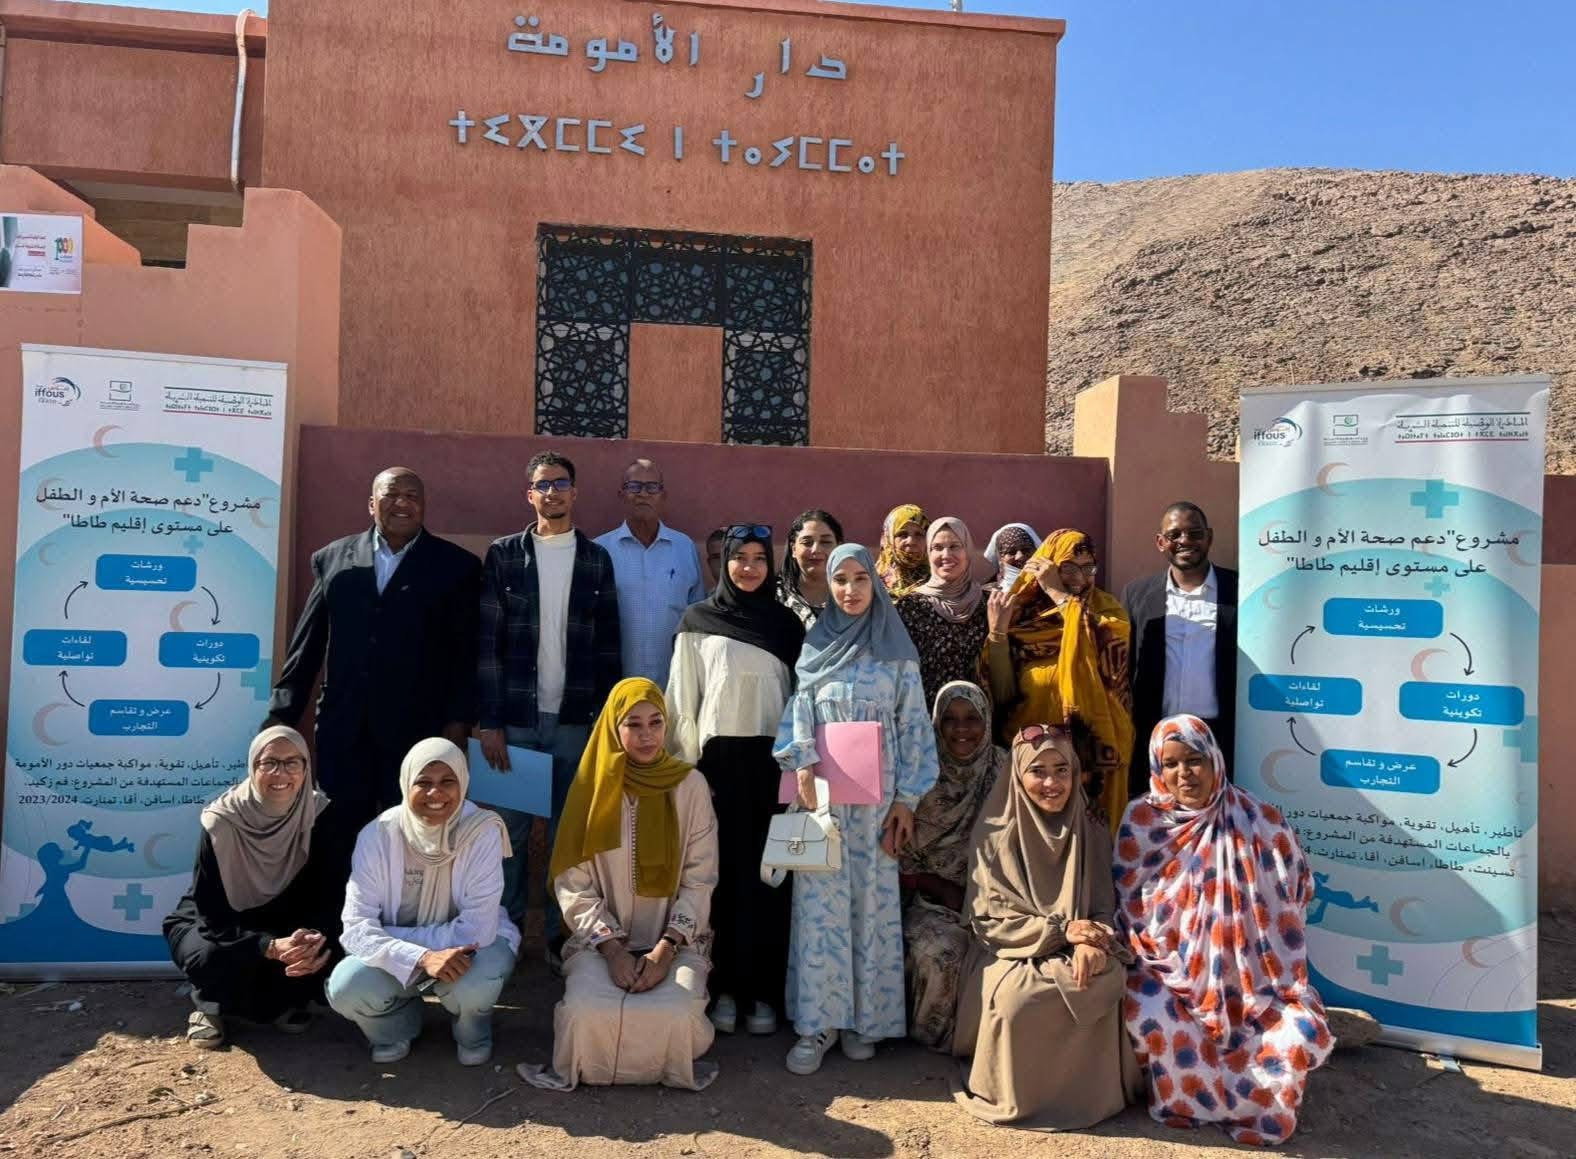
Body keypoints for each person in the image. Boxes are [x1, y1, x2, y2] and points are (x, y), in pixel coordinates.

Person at [1115, 715, 1332, 1146]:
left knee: (1296, 1033)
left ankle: (1256, 1112)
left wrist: (1248, 937)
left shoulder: (1260, 819)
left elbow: (1299, 887)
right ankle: (1186, 1104)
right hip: (1169, 972)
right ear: (1157, 768)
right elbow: (1129, 904)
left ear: (1215, 759)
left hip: (1257, 982)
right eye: (1171, 763)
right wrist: (1182, 958)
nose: (1184, 773)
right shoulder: (1143, 821)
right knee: (1148, 1012)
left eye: (1194, 760)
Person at [774, 544, 939, 1075]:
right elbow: (797, 712)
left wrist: (907, 800)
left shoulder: (897, 655)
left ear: (875, 583)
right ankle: (818, 1024)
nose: (849, 589)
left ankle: (864, 1021)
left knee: (871, 909)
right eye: (839, 579)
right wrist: (801, 762)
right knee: (820, 912)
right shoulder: (815, 647)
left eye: (859, 579)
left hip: (877, 809)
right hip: (822, 804)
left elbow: (914, 727)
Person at [519, 679, 719, 1091]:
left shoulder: (690, 786)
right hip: (600, 943)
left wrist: (665, 950)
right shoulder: (591, 789)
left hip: (675, 940)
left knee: (678, 1014)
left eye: (656, 722)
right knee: (584, 1014)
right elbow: (573, 884)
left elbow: (700, 879)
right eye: (633, 724)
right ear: (613, 728)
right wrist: (612, 950)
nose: (647, 735)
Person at [268, 467, 481, 833]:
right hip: (344, 729)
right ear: (371, 504)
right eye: (391, 495)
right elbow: (307, 646)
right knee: (337, 834)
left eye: (412, 496)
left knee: (414, 834)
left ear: (424, 505)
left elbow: (466, 653)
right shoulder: (333, 559)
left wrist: (458, 722)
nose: (402, 503)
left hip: (418, 730)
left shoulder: (457, 567)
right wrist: (280, 717)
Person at [952, 725, 1139, 1128]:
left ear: (1075, 773)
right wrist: (1060, 932)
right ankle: (1020, 1096)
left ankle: (1092, 1098)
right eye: (1038, 771)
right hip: (1012, 947)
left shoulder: (1090, 826)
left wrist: (1094, 942)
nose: (1052, 783)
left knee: (1100, 979)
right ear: (1018, 775)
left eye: (1061, 770)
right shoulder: (994, 833)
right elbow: (990, 920)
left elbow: (1103, 905)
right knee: (1019, 1000)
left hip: (1079, 942)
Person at [478, 451, 621, 956]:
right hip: (515, 723)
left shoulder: (596, 560)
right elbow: (488, 644)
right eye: (543, 484)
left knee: (569, 837)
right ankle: (505, 937)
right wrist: (489, 722)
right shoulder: (503, 555)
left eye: (561, 483)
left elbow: (608, 647)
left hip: (575, 722)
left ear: (574, 492)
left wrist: (605, 724)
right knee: (506, 836)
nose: (553, 491)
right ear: (530, 494)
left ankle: (566, 940)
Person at [667, 523, 804, 1037]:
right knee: (721, 878)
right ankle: (724, 988)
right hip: (717, 768)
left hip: (774, 766)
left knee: (770, 879)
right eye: (739, 557)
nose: (749, 567)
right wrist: (687, 774)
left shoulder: (786, 625)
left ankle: (764, 993)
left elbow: (802, 702)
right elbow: (683, 701)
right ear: (722, 563)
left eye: (759, 558)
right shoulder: (698, 620)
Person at [327, 738, 518, 1065]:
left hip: (472, 949)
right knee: (347, 986)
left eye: (447, 781)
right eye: (424, 782)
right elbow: (356, 929)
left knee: (475, 983)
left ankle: (472, 1032)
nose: (435, 793)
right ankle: (396, 1027)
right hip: (416, 954)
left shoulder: (481, 831)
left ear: (463, 782)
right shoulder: (378, 835)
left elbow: (477, 930)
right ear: (406, 783)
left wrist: (398, 941)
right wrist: (423, 958)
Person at [164, 726, 341, 1049]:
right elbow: (212, 915)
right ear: (252, 767)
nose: (280, 773)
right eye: (269, 762)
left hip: (285, 919)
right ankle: (209, 1006)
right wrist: (268, 946)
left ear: (305, 768)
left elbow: (331, 894)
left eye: (292, 762)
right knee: (210, 955)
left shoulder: (319, 814)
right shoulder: (222, 821)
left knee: (328, 947)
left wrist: (312, 939)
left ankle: (285, 1003)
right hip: (219, 921)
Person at [985, 529, 1133, 834]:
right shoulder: (1020, 616)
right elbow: (1002, 696)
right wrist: (998, 635)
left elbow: (1108, 653)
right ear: (1048, 566)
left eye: (1088, 567)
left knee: (1089, 845)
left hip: (1093, 759)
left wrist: (1060, 596)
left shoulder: (1107, 611)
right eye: (1068, 567)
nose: (1080, 577)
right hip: (1034, 758)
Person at [900, 682, 1005, 1051]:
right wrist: (944, 889)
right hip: (931, 903)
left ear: (987, 721)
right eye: (950, 719)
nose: (962, 729)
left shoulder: (1004, 770)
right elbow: (899, 856)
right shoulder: (918, 778)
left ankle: (986, 1044)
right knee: (943, 952)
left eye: (972, 718)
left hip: (996, 901)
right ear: (936, 724)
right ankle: (932, 1042)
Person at [1121, 501, 1238, 794]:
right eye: (1174, 535)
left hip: (1221, 738)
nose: (1185, 541)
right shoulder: (1137, 595)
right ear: (1161, 542)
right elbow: (1125, 666)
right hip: (1157, 737)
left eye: (1194, 533)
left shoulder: (1239, 589)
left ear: (1209, 537)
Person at [594, 458, 707, 684]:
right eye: (634, 486)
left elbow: (697, 619)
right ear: (621, 494)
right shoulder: (600, 550)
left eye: (652, 487)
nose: (643, 494)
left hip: (674, 684)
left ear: (663, 495)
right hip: (615, 686)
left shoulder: (684, 548)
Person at [895, 516, 990, 710]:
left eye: (955, 546)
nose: (946, 555)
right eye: (937, 547)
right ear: (928, 554)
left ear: (967, 550)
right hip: (925, 713)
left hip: (978, 716)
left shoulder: (989, 603)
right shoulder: (911, 606)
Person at [777, 509, 844, 628]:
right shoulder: (773, 595)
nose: (816, 549)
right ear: (793, 549)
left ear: (839, 548)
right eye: (807, 542)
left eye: (825, 542)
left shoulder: (854, 594)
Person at [874, 503, 930, 597]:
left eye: (919, 534)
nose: (911, 541)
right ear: (889, 540)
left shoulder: (943, 582)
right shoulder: (872, 584)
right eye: (902, 534)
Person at [982, 523, 1041, 590]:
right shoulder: (983, 594)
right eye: (1011, 552)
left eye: (1026, 550)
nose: (1020, 557)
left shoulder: (1048, 587)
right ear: (1001, 559)